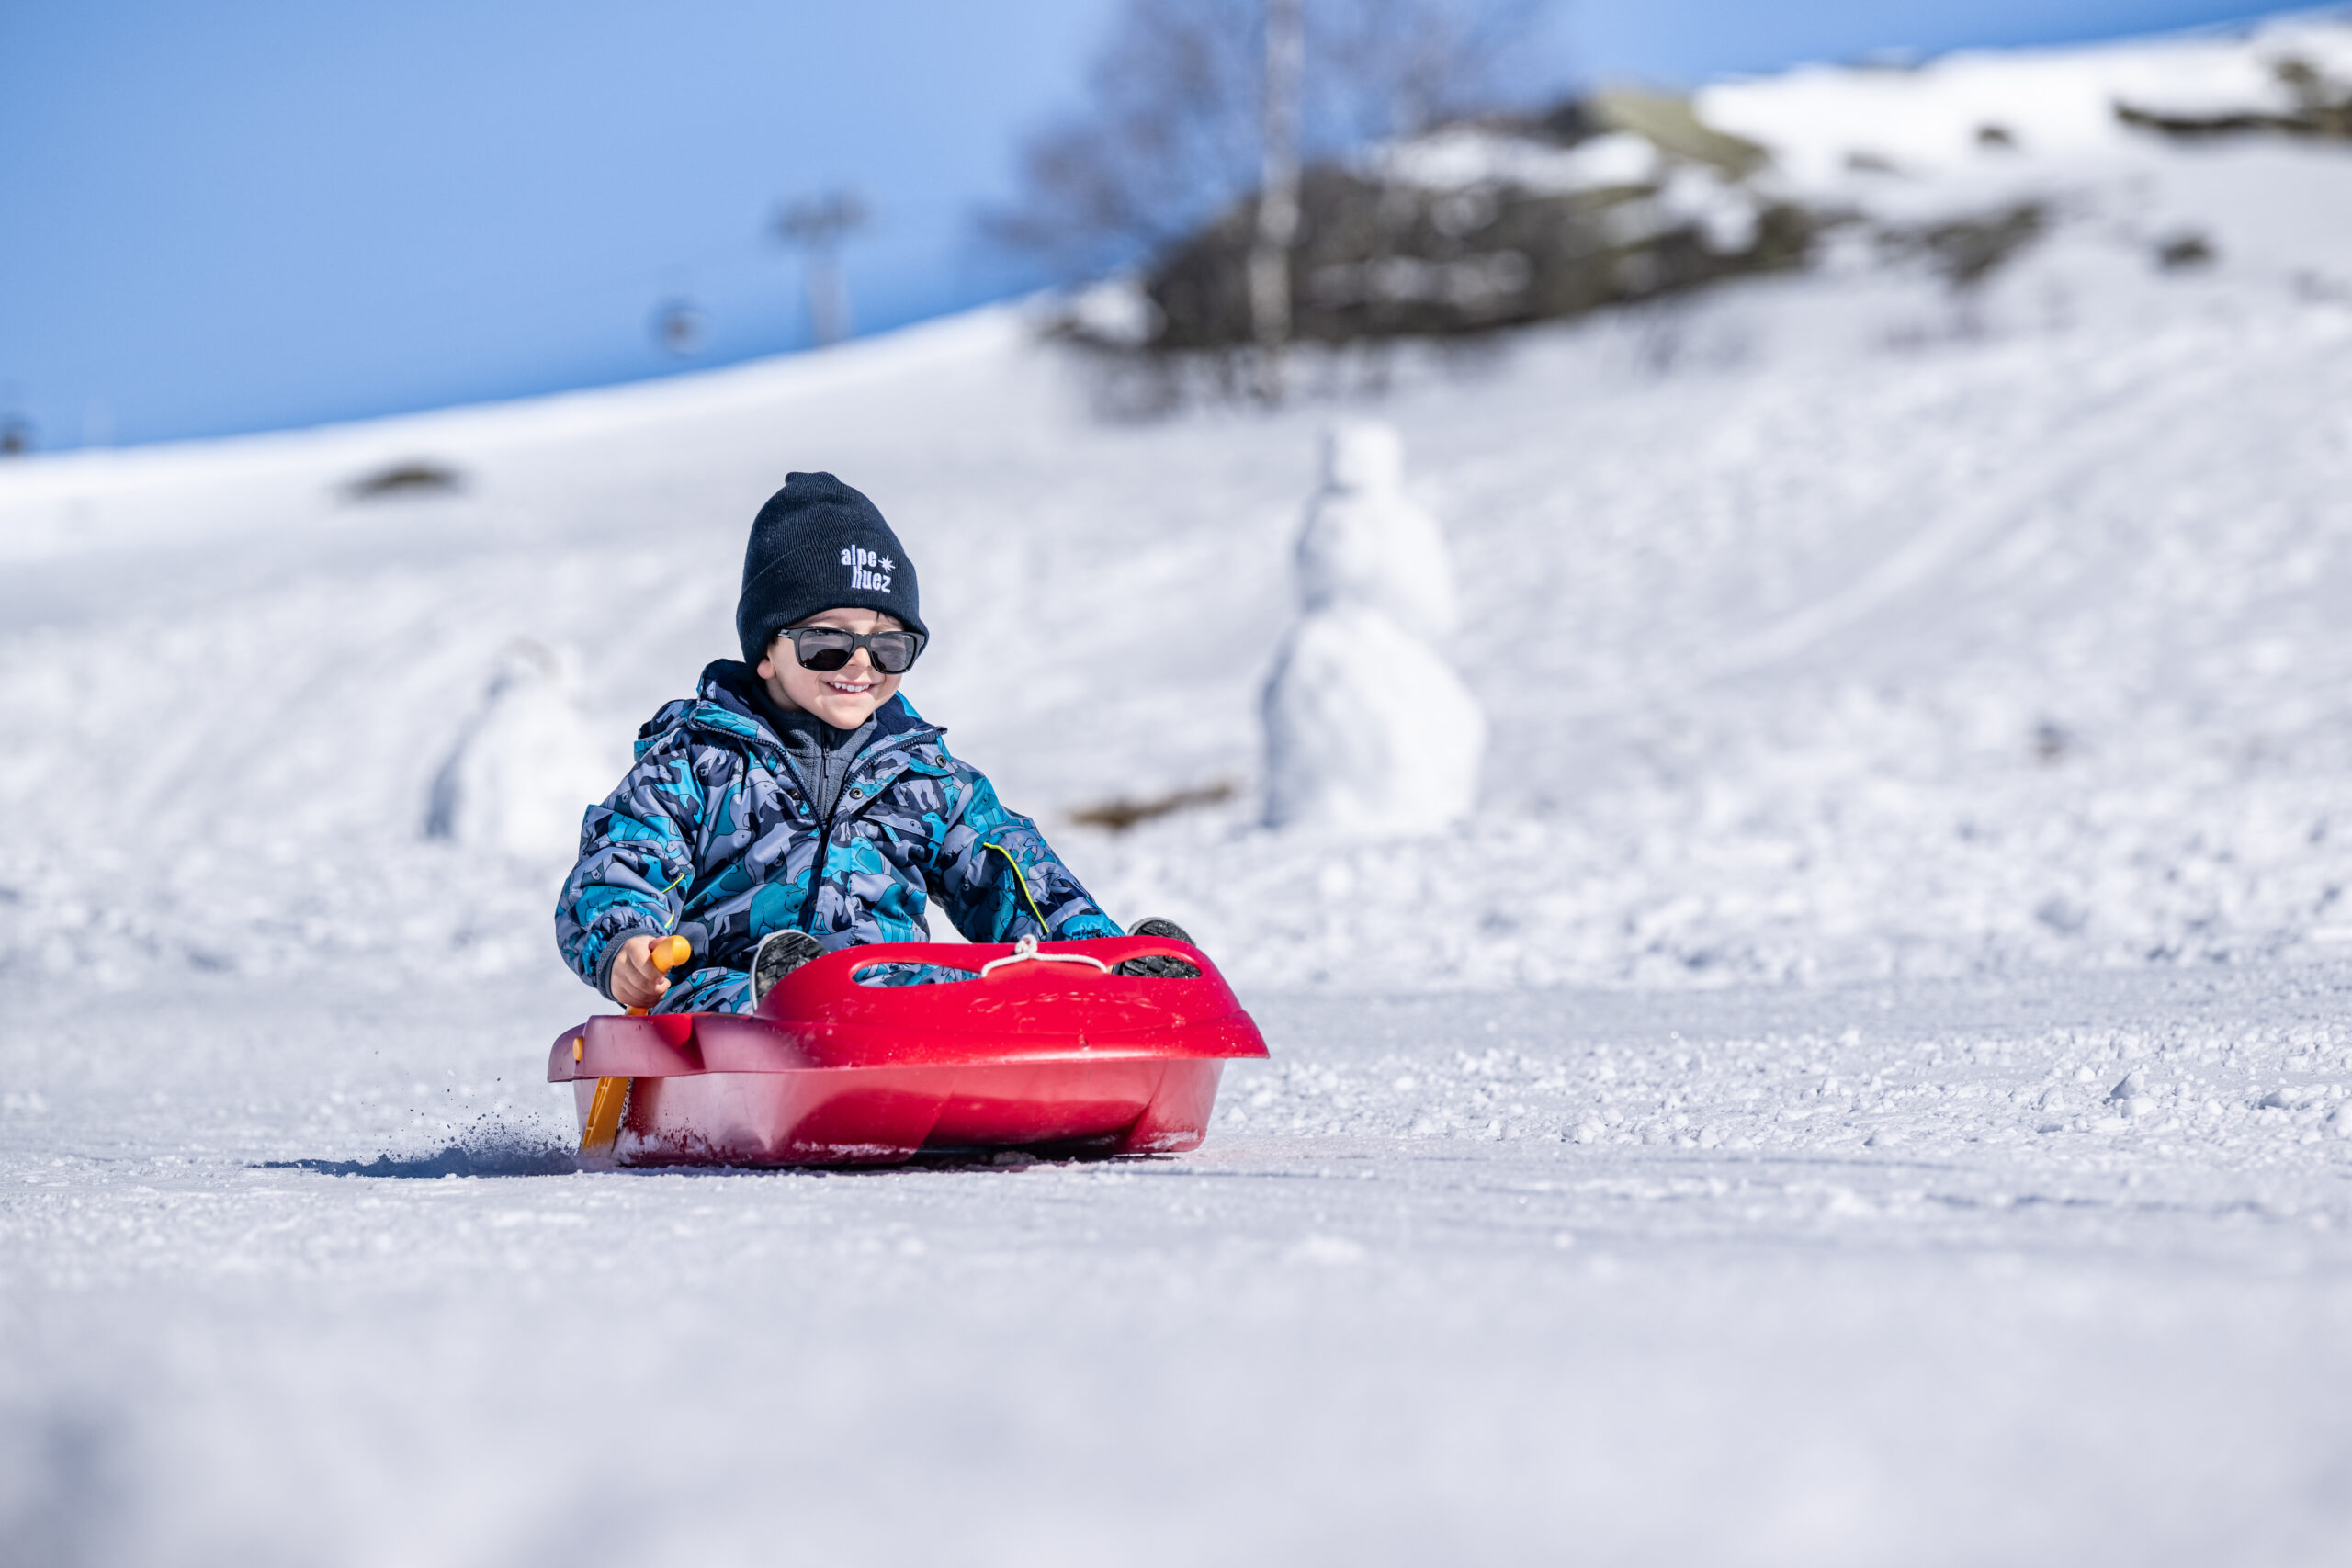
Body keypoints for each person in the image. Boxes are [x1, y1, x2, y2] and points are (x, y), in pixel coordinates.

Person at [555, 471, 1191, 1014]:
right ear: (767, 654)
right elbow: (623, 858)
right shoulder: (695, 763)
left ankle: (1113, 995)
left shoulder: (928, 780)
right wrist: (625, 943)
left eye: (888, 646)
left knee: (970, 984)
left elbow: (1014, 874)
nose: (860, 663)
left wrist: (1095, 951)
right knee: (760, 995)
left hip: (888, 999)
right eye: (828, 643)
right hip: (737, 1001)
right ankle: (799, 1002)